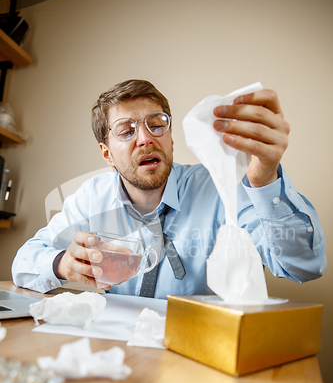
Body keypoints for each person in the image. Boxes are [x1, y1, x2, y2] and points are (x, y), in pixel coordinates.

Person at [12, 79, 326, 298]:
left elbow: (303, 267)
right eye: (126, 131)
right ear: (106, 152)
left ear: (171, 136)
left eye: (156, 124)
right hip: (119, 355)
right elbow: (25, 262)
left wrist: (265, 180)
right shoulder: (92, 197)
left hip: (200, 356)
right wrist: (61, 264)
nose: (146, 138)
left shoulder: (220, 187)